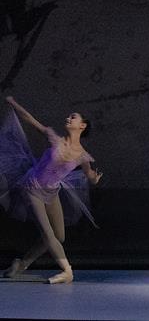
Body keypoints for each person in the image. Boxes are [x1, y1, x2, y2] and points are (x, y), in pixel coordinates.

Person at [0, 97, 102, 284]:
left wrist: (94, 178)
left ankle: (21, 264)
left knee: (59, 236)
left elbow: (89, 175)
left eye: (73, 117)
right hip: (32, 188)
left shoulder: (83, 156)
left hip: (52, 192)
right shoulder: (54, 138)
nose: (68, 118)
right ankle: (67, 271)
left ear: (82, 126)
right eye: (69, 116)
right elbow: (30, 119)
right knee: (48, 234)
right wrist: (13, 103)